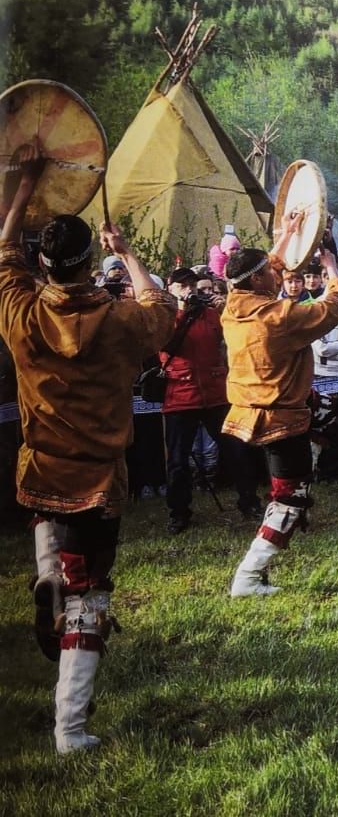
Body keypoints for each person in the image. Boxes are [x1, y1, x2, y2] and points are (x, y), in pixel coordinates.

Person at [0, 147, 176, 753]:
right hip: (99, 479)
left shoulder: (21, 313)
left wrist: (25, 189)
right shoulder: (123, 319)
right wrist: (126, 253)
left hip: (41, 466)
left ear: (43, 262)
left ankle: (49, 569)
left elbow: (2, 257)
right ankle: (69, 730)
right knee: (88, 602)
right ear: (88, 261)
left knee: (51, 525)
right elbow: (162, 307)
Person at [221, 213, 338, 596]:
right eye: (269, 272)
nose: (277, 274)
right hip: (279, 416)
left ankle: (305, 470)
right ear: (259, 280)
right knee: (290, 500)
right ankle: (248, 576)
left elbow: (264, 268)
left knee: (327, 410)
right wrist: (332, 269)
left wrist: (289, 235)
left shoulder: (232, 304)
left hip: (252, 407)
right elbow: (333, 308)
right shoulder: (278, 316)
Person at [161, 266, 261, 533]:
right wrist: (182, 313)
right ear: (170, 289)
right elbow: (165, 344)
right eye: (182, 285)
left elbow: (240, 333)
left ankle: (249, 501)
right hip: (180, 395)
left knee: (236, 451)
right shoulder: (163, 315)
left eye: (192, 285)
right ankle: (178, 513)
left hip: (215, 393)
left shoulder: (212, 314)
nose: (189, 289)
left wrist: (226, 307)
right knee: (178, 461)